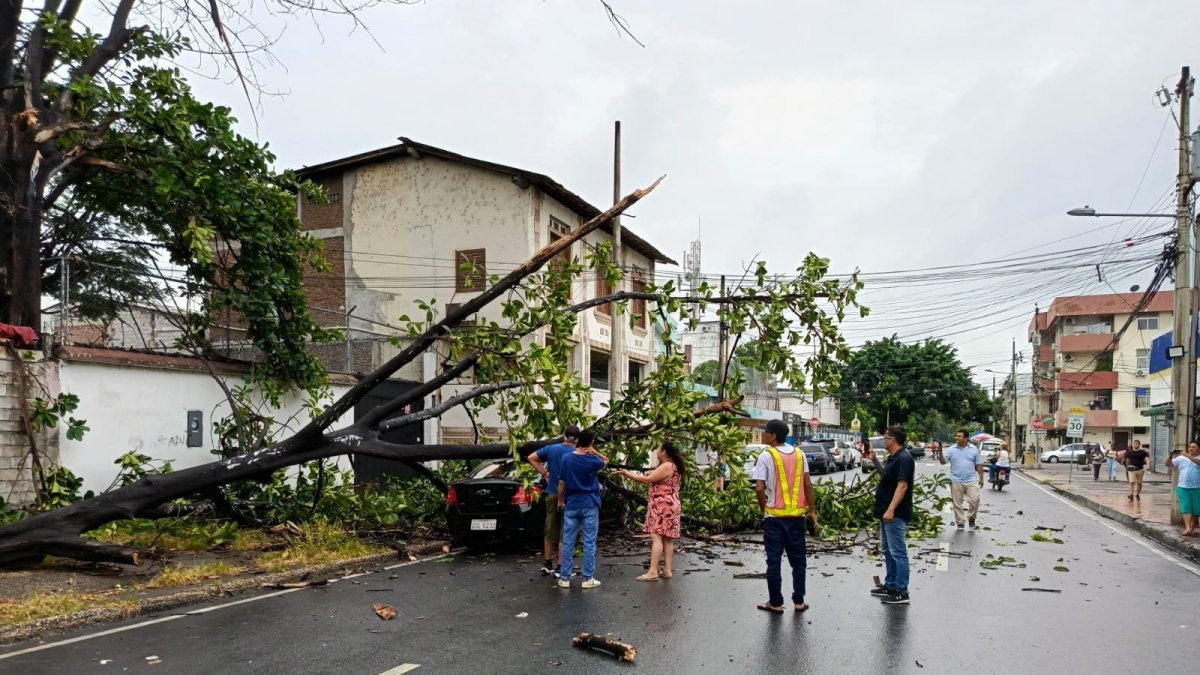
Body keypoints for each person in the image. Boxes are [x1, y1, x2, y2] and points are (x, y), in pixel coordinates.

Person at [751, 419, 818, 614]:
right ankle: (799, 601)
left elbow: (759, 487)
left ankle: (776, 603)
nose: (763, 435)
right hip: (797, 518)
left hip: (774, 519)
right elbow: (807, 485)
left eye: (765, 432)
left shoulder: (766, 456)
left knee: (774, 561)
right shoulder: (800, 454)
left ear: (772, 436)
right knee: (799, 562)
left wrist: (764, 508)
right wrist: (812, 510)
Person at [615, 440, 686, 581]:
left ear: (664, 452)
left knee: (656, 536)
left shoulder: (666, 466)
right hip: (672, 503)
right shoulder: (674, 466)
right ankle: (667, 570)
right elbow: (654, 475)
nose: (658, 451)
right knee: (667, 538)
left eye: (659, 449)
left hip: (662, 505)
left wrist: (627, 474)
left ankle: (653, 571)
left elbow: (647, 479)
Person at [870, 425, 916, 605]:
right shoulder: (894, 457)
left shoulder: (904, 458)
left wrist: (891, 509)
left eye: (885, 437)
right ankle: (891, 584)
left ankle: (902, 591)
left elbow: (902, 486)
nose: (883, 440)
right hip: (885, 511)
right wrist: (874, 461)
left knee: (898, 552)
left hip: (895, 513)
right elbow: (886, 477)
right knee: (888, 550)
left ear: (893, 440)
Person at [557, 429, 608, 589]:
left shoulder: (567, 458)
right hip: (590, 503)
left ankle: (565, 577)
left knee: (568, 541)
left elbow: (561, 483)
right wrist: (595, 452)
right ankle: (588, 578)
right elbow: (606, 461)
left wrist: (560, 500)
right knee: (589, 541)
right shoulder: (593, 460)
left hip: (572, 503)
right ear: (591, 442)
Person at [526, 425, 579, 576]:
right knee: (566, 532)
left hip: (552, 493)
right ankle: (561, 566)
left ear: (564, 435)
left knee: (550, 529)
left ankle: (547, 563)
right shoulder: (577, 452)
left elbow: (531, 457)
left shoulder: (552, 449)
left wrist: (545, 473)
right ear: (577, 439)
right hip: (571, 496)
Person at [939, 430, 983, 528]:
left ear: (965, 438)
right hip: (956, 480)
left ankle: (972, 517)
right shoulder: (951, 449)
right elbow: (943, 462)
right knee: (957, 503)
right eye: (956, 436)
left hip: (971, 479)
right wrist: (940, 453)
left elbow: (979, 465)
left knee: (975, 500)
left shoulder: (974, 449)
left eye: (959, 436)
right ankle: (960, 522)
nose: (956, 437)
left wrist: (981, 478)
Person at [1170, 441, 1200, 536]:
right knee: (1186, 507)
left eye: (1193, 447)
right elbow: (1168, 464)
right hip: (1183, 487)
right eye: (1190, 446)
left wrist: (1188, 456)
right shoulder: (1181, 458)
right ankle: (1187, 528)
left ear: (1199, 449)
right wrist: (1170, 456)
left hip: (1197, 488)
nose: (1191, 448)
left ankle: (1191, 527)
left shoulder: (1195, 457)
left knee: (1196, 510)